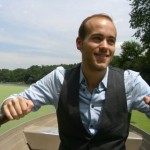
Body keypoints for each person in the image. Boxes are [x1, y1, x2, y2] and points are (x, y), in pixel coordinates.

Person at [0, 13, 150, 150]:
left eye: (111, 41)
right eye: (97, 38)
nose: (105, 46)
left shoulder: (131, 82)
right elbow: (19, 99)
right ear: (79, 43)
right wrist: (10, 103)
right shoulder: (58, 80)